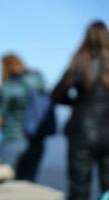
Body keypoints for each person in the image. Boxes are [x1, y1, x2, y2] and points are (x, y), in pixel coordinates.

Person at [52, 21, 109, 200]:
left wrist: (78, 102)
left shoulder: (80, 61)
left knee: (79, 187)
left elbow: (56, 95)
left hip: (81, 132)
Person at [0, 54, 45, 171]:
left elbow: (0, 113)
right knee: (29, 181)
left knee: (9, 181)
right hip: (37, 140)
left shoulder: (10, 86)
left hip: (13, 138)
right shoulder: (37, 80)